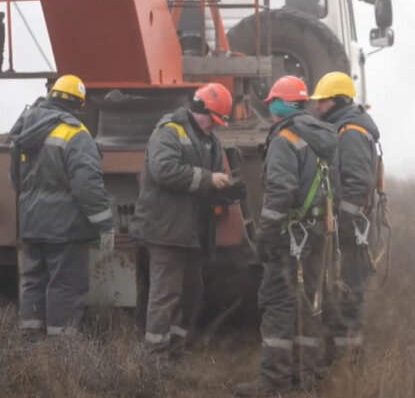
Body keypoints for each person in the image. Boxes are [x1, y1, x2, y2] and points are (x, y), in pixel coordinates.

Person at [235, 76, 338, 396]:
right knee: (307, 303)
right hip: (317, 231)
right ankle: (303, 376)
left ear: (281, 104)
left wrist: (266, 236)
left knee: (277, 303)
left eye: (273, 102)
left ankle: (272, 383)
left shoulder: (284, 139)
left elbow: (280, 192)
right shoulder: (322, 135)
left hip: (289, 236)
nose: (270, 108)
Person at [130, 82, 233, 357]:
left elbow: (206, 181)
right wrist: (208, 179)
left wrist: (223, 190)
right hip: (165, 229)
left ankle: (176, 349)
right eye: (214, 119)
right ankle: (155, 358)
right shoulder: (168, 132)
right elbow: (164, 170)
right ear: (200, 110)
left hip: (191, 232)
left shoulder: (210, 139)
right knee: (165, 294)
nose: (216, 125)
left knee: (191, 293)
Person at [9, 74, 115, 338]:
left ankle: (31, 348)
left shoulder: (24, 130)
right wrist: (105, 225)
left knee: (33, 283)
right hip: (65, 228)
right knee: (66, 286)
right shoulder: (75, 134)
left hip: (31, 223)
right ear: (79, 104)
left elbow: (15, 179)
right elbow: (87, 185)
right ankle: (61, 354)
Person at [310, 72, 381, 363]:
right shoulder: (346, 126)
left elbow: (357, 183)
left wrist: (344, 224)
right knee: (343, 291)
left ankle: (347, 361)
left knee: (348, 293)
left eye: (322, 101)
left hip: (351, 231)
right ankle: (342, 356)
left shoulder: (349, 131)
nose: (317, 107)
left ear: (338, 100)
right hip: (350, 228)